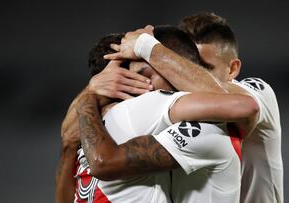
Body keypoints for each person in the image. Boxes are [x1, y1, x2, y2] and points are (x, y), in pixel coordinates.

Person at [105, 12, 283, 203]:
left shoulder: (259, 92)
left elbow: (237, 103)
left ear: (232, 69)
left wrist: (145, 46)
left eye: (202, 69)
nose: (183, 79)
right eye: (182, 66)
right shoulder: (173, 109)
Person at [57, 26, 245, 203]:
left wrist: (88, 95)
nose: (141, 87)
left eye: (146, 75)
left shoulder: (95, 119)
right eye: (131, 78)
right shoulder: (129, 112)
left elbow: (243, 106)